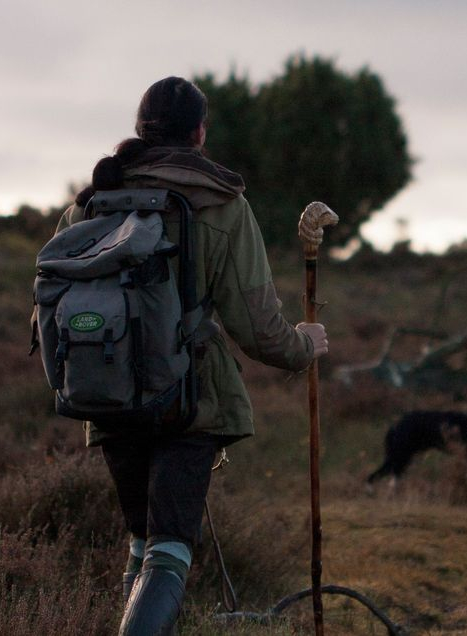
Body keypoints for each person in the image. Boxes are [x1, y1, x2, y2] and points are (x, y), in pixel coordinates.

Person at [52, 76, 328, 634]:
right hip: (188, 400)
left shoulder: (92, 203)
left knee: (142, 542)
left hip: (106, 391)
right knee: (170, 545)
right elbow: (257, 328)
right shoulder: (223, 204)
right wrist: (305, 346)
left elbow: (49, 306)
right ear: (200, 132)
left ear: (141, 129)